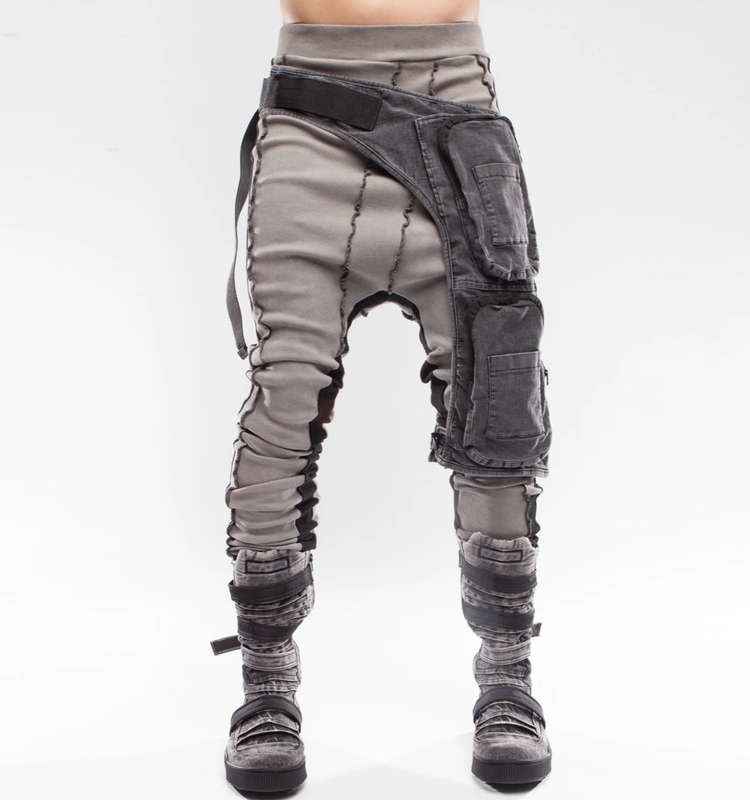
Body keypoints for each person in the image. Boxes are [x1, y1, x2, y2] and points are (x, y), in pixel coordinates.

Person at [210, 0, 554, 792]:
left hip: (451, 109)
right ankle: (266, 686)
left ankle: (508, 676)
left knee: (495, 396)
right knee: (284, 391)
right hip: (311, 119)